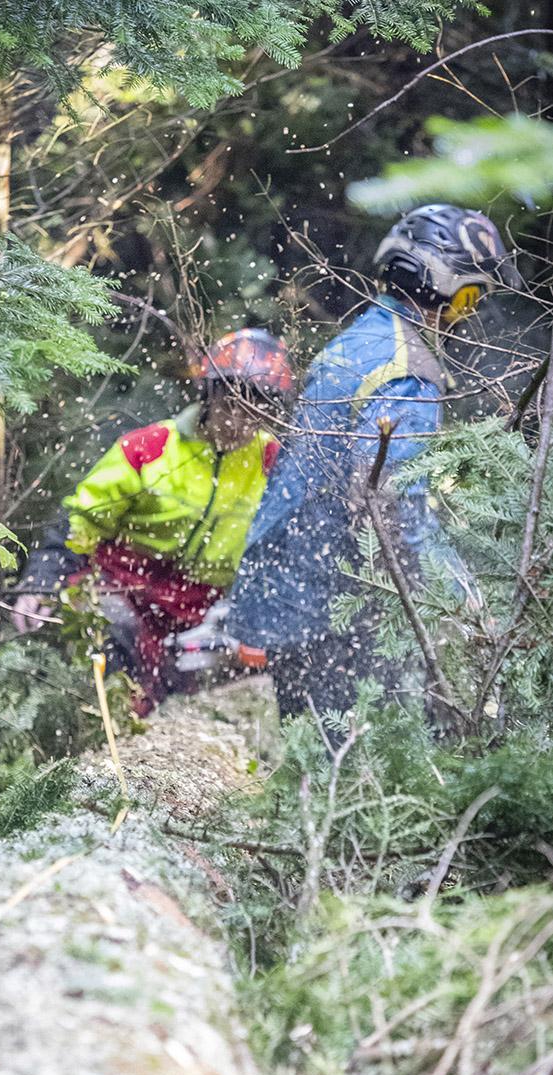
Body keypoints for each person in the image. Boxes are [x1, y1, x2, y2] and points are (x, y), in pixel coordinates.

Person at [226, 205, 521, 718]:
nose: (466, 315)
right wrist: (454, 601)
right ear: (451, 288)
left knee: (317, 760)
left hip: (286, 579)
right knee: (364, 763)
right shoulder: (408, 366)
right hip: (328, 600)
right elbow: (390, 497)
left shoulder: (363, 336)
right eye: (472, 298)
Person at [12, 329, 295, 711]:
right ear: (210, 396)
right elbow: (80, 521)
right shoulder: (150, 447)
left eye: (254, 413)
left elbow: (286, 546)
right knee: (113, 633)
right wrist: (42, 579)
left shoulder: (274, 463)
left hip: (202, 608)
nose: (238, 423)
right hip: (121, 587)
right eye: (231, 406)